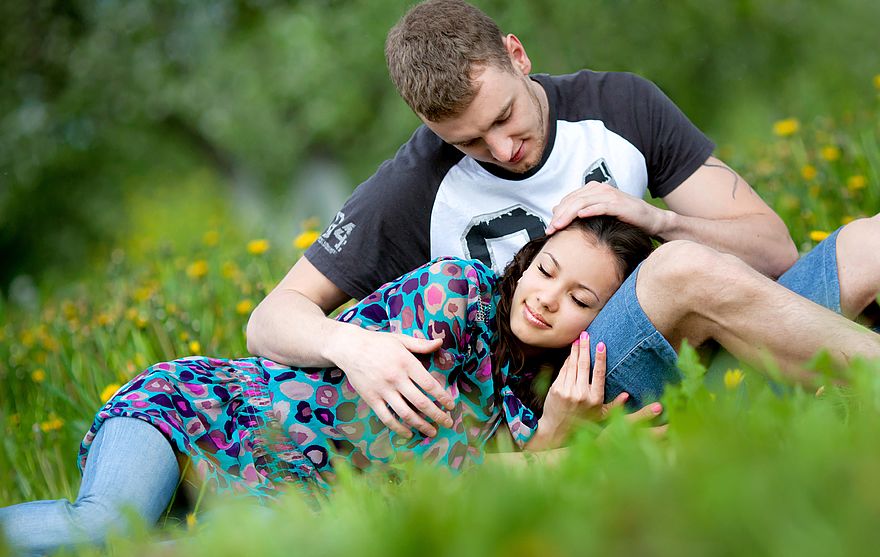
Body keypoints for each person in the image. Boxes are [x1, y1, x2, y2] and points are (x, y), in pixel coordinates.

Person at [248, 0, 855, 430]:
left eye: (504, 117)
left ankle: (781, 385)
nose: (504, 150)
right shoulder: (412, 187)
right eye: (470, 142)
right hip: (569, 394)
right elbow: (270, 319)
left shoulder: (620, 105)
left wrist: (658, 219)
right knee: (679, 272)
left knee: (871, 243)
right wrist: (350, 346)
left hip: (700, 328)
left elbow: (774, 250)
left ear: (517, 54)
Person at [0, 217, 657, 557]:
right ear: (528, 256)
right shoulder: (456, 294)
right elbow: (425, 474)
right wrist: (548, 450)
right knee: (106, 526)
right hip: (197, 411)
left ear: (596, 322)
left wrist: (551, 435)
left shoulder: (529, 401)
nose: (545, 298)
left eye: (578, 298)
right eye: (546, 269)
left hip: (273, 495)